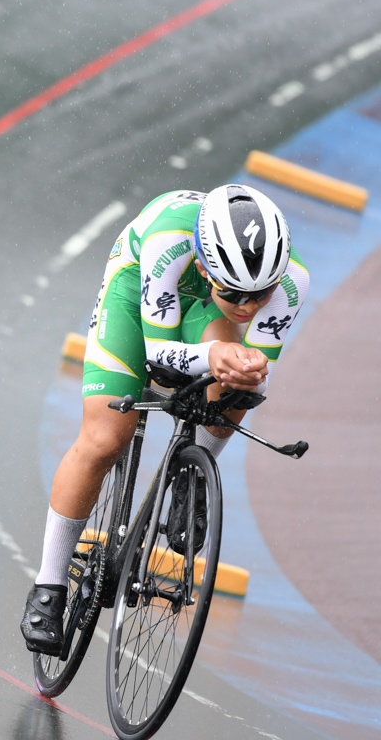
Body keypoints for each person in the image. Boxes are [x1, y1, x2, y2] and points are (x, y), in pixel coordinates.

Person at [20, 184, 309, 655]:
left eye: (261, 295)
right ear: (203, 267)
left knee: (238, 384)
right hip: (138, 293)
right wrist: (214, 353)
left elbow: (260, 373)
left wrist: (241, 369)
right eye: (235, 293)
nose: (250, 308)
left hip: (200, 309)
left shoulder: (292, 281)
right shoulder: (167, 244)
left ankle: (189, 479)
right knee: (103, 438)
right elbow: (160, 357)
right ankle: (48, 587)